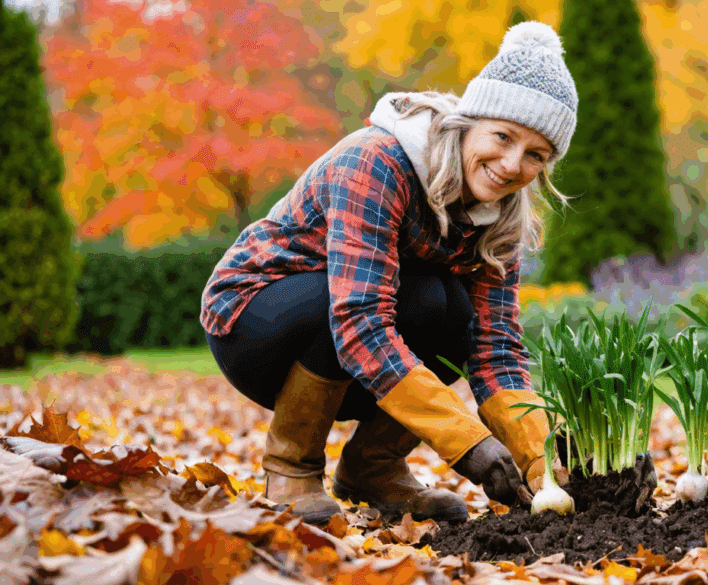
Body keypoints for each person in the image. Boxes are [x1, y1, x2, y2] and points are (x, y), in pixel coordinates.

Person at [200, 21, 579, 525]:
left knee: (449, 312)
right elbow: (358, 321)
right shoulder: (378, 161)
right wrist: (468, 444)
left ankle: (372, 469)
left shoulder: (503, 220)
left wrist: (541, 466)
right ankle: (292, 467)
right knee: (357, 299)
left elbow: (495, 351)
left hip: (353, 349)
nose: (512, 165)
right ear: (469, 122)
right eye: (503, 137)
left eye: (536, 155)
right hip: (256, 321)